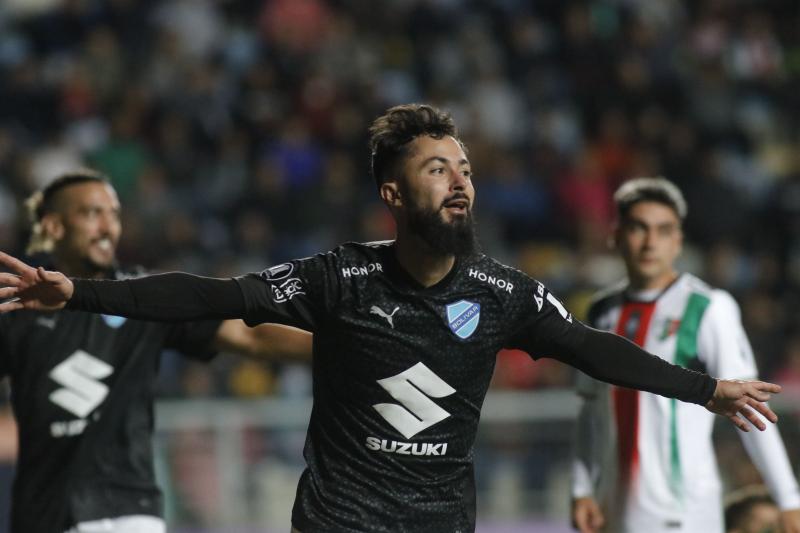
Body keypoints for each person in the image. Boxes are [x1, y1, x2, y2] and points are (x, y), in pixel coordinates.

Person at [0, 105, 782, 533]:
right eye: (437, 169)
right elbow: (212, 294)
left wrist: (707, 389)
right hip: (338, 520)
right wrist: (79, 293)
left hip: (441, 521)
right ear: (394, 195)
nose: (460, 181)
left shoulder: (504, 292)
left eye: (465, 168)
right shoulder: (339, 277)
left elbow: (591, 348)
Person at [0, 170, 313, 533]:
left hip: (129, 511)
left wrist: (347, 346)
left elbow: (249, 336)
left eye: (114, 214)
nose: (107, 227)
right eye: (91, 213)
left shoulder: (144, 295)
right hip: (42, 515)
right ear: (54, 226)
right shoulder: (17, 307)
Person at [570, 177, 800, 533]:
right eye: (639, 228)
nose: (651, 242)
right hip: (612, 511)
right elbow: (590, 408)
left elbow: (750, 406)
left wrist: (788, 499)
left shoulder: (708, 308)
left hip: (684, 513)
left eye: (664, 230)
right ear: (616, 236)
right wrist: (582, 488)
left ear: (678, 241)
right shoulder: (601, 312)